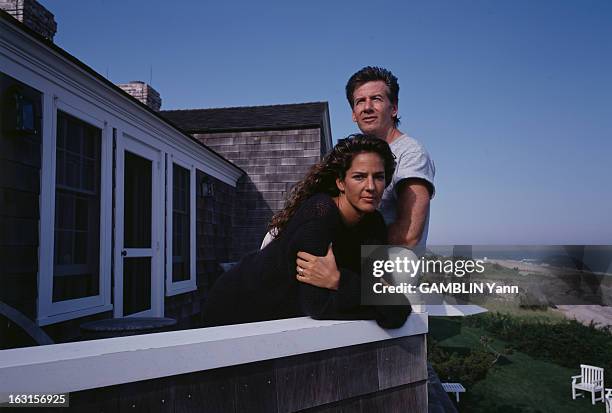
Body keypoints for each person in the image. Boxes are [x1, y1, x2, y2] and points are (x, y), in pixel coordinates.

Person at [201, 135, 410, 328]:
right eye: (359, 176)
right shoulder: (319, 215)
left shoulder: (374, 224)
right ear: (340, 182)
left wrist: (338, 280)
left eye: (379, 177)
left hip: (278, 321)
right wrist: (366, 293)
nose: (371, 186)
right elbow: (319, 306)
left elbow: (397, 306)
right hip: (236, 303)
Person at [346, 66, 435, 247]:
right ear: (354, 114)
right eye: (360, 101)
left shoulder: (410, 153)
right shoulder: (354, 155)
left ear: (393, 108)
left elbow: (408, 235)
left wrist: (344, 245)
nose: (367, 107)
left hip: (387, 272)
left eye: (376, 99)